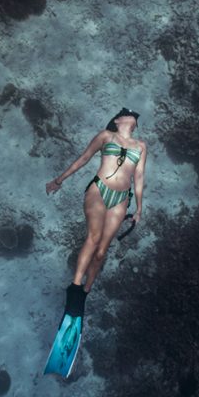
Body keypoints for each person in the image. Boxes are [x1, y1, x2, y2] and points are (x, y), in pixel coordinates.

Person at [45, 107, 146, 295]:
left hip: (122, 198)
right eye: (127, 113)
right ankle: (75, 287)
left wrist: (139, 208)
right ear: (117, 121)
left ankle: (85, 291)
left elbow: (139, 177)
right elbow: (83, 158)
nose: (132, 115)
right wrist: (58, 180)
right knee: (93, 238)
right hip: (99, 189)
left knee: (101, 251)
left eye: (133, 115)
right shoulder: (106, 136)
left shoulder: (140, 146)